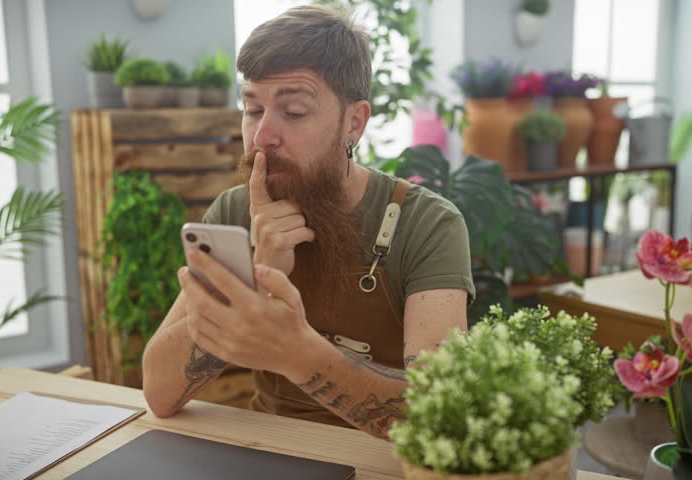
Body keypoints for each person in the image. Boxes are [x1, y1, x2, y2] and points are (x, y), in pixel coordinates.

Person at [142, 5, 474, 439]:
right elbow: (159, 394)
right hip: (272, 451)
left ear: (354, 122)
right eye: (252, 109)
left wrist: (297, 353)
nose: (262, 137)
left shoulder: (428, 224)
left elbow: (444, 415)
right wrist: (256, 278)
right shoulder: (233, 215)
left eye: (294, 112)